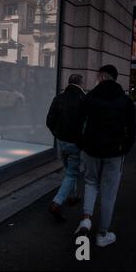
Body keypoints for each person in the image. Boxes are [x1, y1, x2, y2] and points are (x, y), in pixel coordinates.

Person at [75, 65, 136, 247]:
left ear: (101, 77)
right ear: (114, 79)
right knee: (109, 192)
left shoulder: (90, 97)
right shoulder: (125, 101)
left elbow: (78, 124)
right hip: (114, 152)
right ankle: (103, 234)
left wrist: (82, 144)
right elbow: (131, 130)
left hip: (91, 150)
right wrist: (124, 148)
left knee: (91, 183)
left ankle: (86, 219)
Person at [46, 74, 86, 222]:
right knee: (72, 173)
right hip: (76, 143)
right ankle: (57, 202)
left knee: (69, 170)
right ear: (81, 83)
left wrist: (57, 134)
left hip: (62, 142)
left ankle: (72, 197)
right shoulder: (84, 99)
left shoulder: (59, 98)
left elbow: (49, 120)